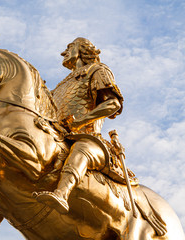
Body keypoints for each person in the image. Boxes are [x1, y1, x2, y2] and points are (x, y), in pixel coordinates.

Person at [35, 37, 124, 214]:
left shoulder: (98, 70)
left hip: (88, 138)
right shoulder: (62, 84)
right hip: (60, 134)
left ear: (83, 50)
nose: (63, 52)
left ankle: (62, 193)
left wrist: (81, 122)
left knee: (82, 150)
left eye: (69, 47)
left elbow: (113, 104)